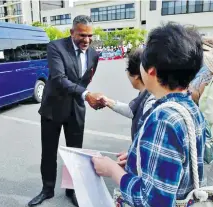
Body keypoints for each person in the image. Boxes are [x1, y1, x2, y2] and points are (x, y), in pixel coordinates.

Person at [92, 23, 206, 206]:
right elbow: (179, 164)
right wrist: (139, 157)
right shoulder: (189, 107)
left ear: (151, 70)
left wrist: (112, 170)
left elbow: (153, 201)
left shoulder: (163, 119)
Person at [28, 15, 103, 207]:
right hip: (52, 109)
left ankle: (72, 190)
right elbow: (59, 79)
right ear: (72, 32)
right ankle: (47, 189)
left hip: (76, 110)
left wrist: (84, 95)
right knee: (49, 152)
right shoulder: (56, 47)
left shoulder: (93, 54)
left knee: (75, 153)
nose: (86, 40)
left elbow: (86, 78)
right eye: (82, 35)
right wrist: (86, 95)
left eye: (90, 36)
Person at [98, 49, 155, 141]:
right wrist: (107, 101)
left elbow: (149, 140)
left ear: (136, 75)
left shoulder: (150, 102)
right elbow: (131, 111)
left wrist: (134, 154)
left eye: (127, 70)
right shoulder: (146, 94)